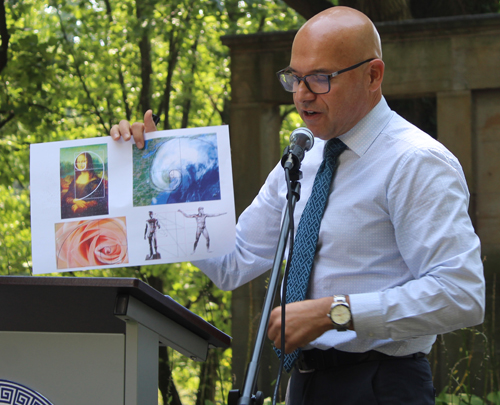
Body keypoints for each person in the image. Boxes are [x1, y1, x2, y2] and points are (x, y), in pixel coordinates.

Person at [110, 6, 485, 404]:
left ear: (373, 75)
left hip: (381, 384)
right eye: (295, 78)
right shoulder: (304, 155)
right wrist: (157, 177)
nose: (302, 94)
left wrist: (336, 312)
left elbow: (461, 294)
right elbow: (231, 262)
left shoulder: (415, 162)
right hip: (305, 382)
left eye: (321, 79)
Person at [61, 151, 108, 219]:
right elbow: (67, 196)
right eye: (79, 162)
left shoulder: (96, 181)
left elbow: (100, 201)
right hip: (73, 212)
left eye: (83, 161)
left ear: (89, 162)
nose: (81, 164)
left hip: (90, 215)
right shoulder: (75, 180)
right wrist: (74, 201)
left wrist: (83, 205)